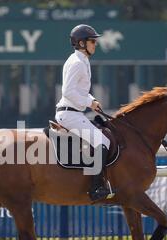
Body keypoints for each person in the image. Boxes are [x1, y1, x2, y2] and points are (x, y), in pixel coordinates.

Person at [55, 24, 113, 202]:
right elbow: (68, 92)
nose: (95, 44)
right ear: (81, 43)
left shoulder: (82, 61)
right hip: (69, 114)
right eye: (92, 41)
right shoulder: (78, 63)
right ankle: (95, 188)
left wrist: (92, 100)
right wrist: (89, 102)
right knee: (103, 142)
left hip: (75, 112)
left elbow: (79, 90)